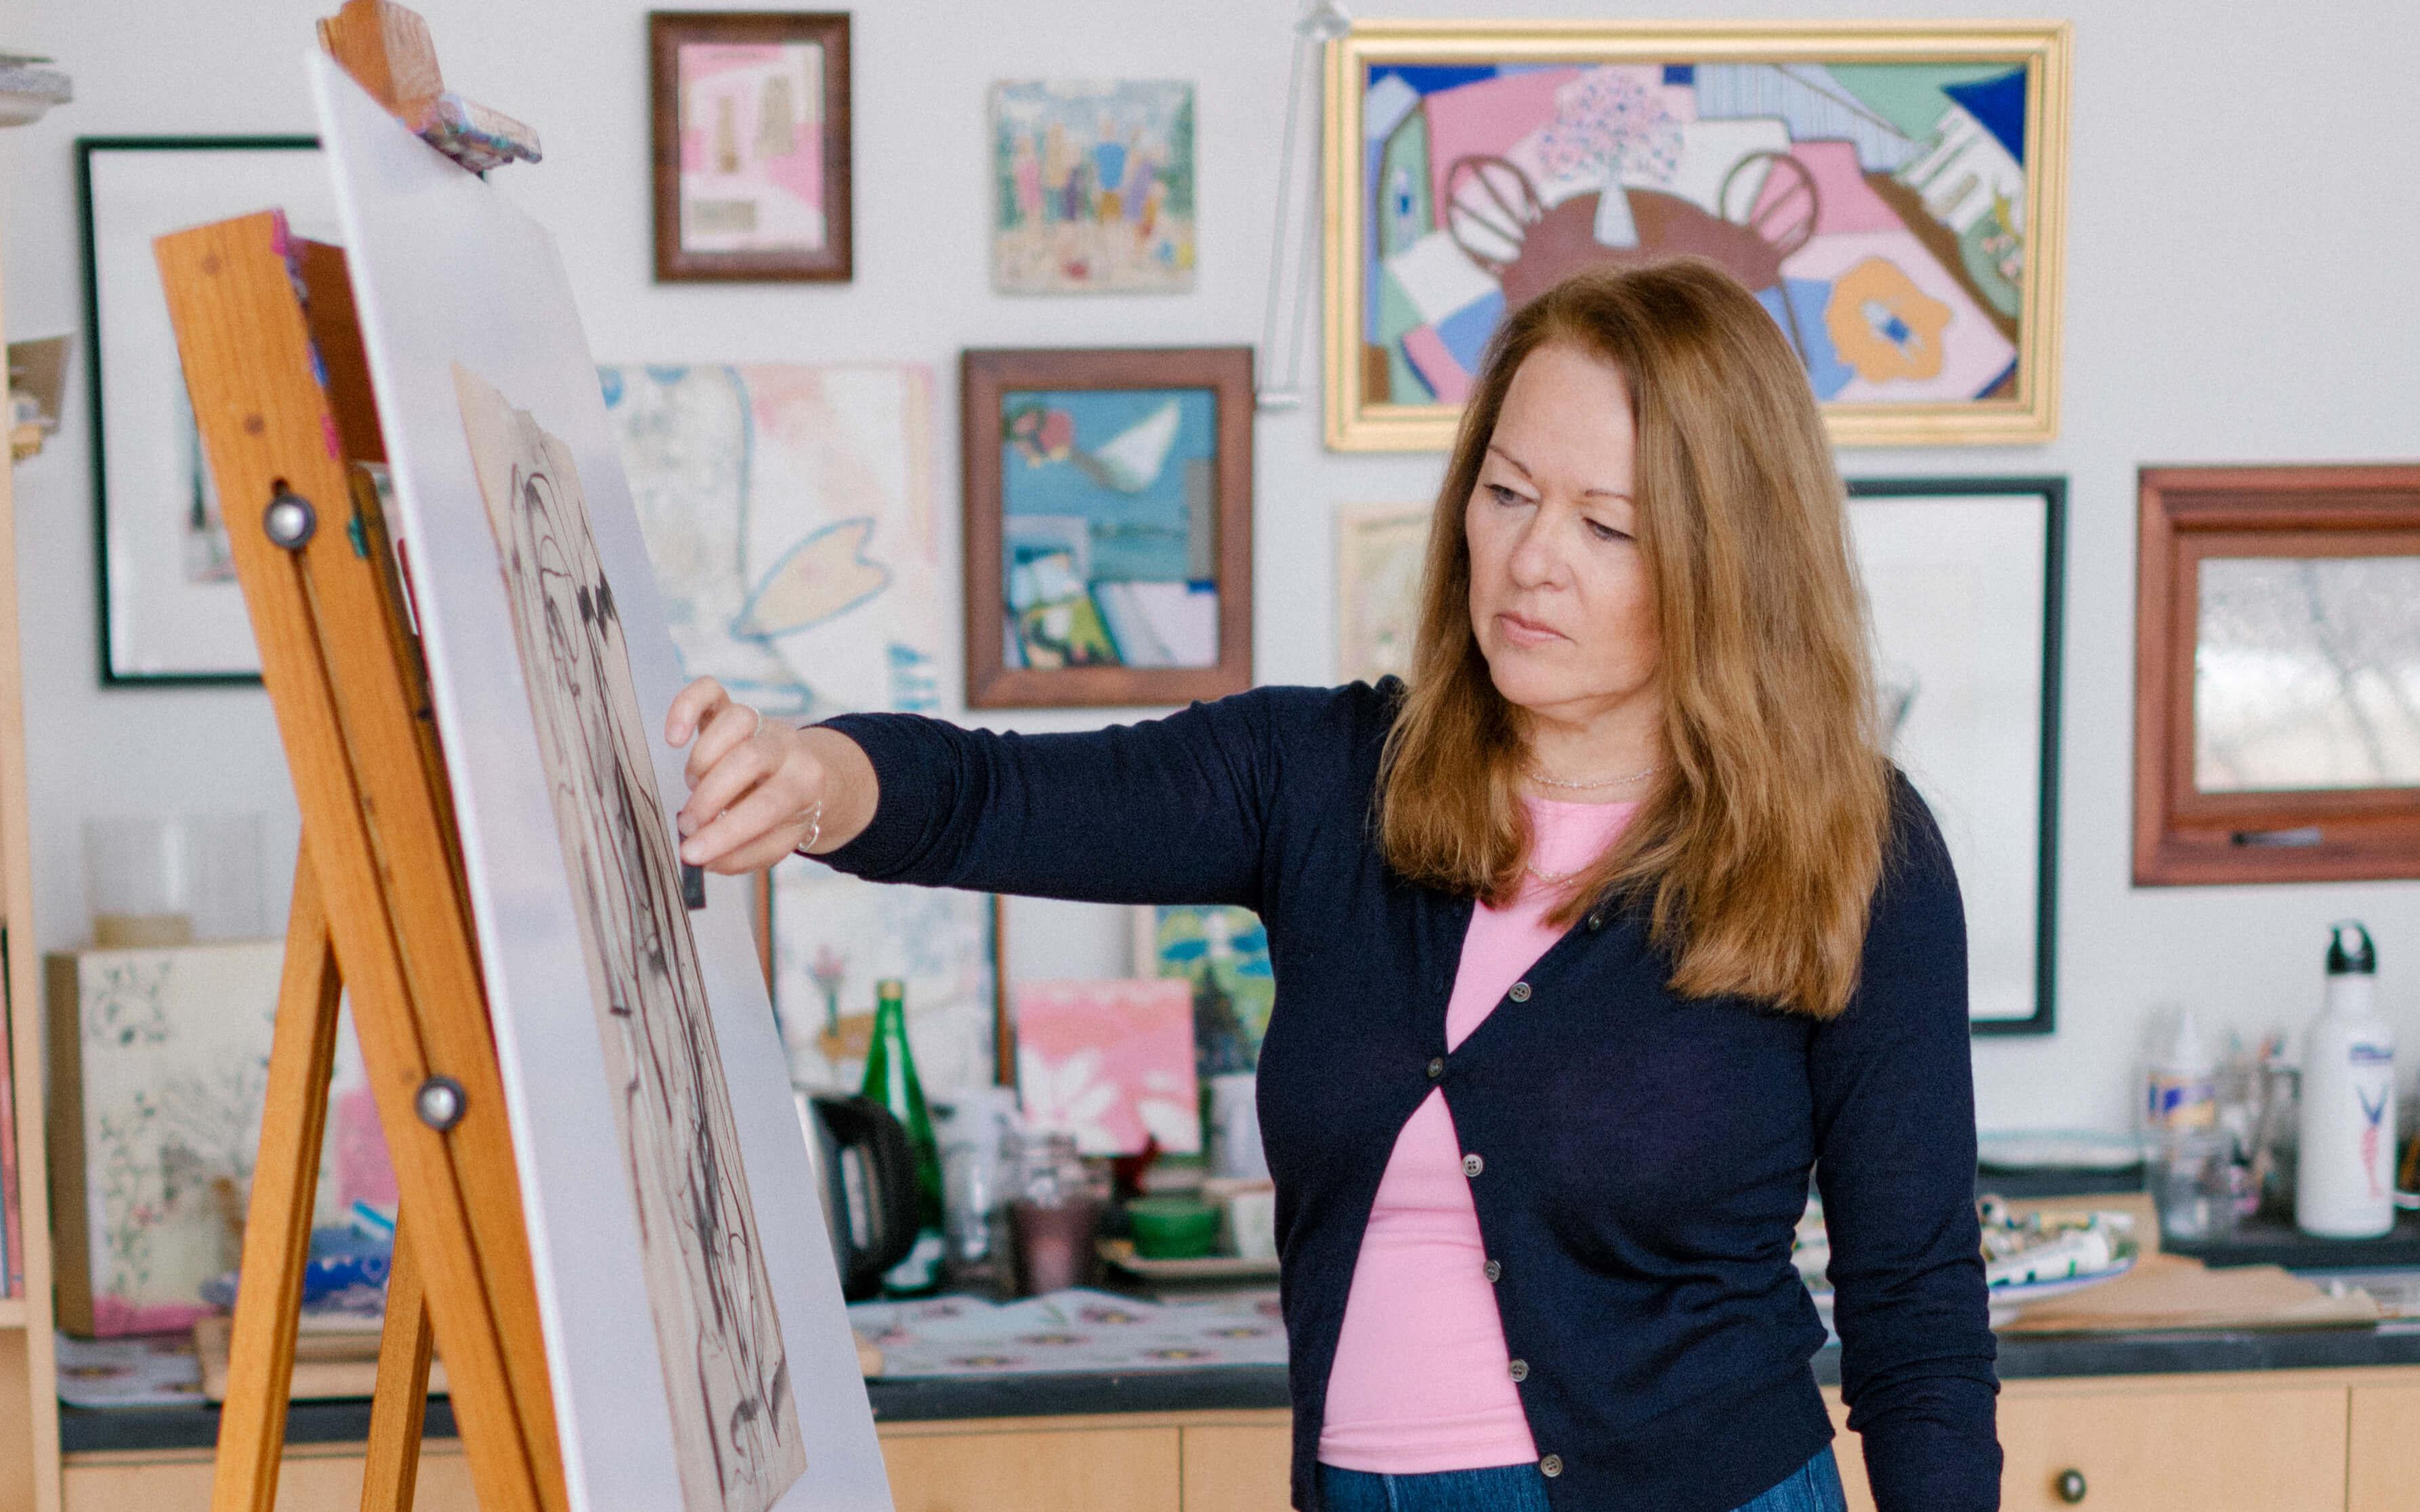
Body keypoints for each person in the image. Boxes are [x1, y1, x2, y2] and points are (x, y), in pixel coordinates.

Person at [664, 258, 2001, 1512]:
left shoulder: (1847, 844)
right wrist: (812, 773)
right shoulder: (1327, 778)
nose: (1532, 558)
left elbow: (1917, 1305)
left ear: (1730, 561)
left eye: (1607, 525)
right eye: (1506, 492)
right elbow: (995, 793)